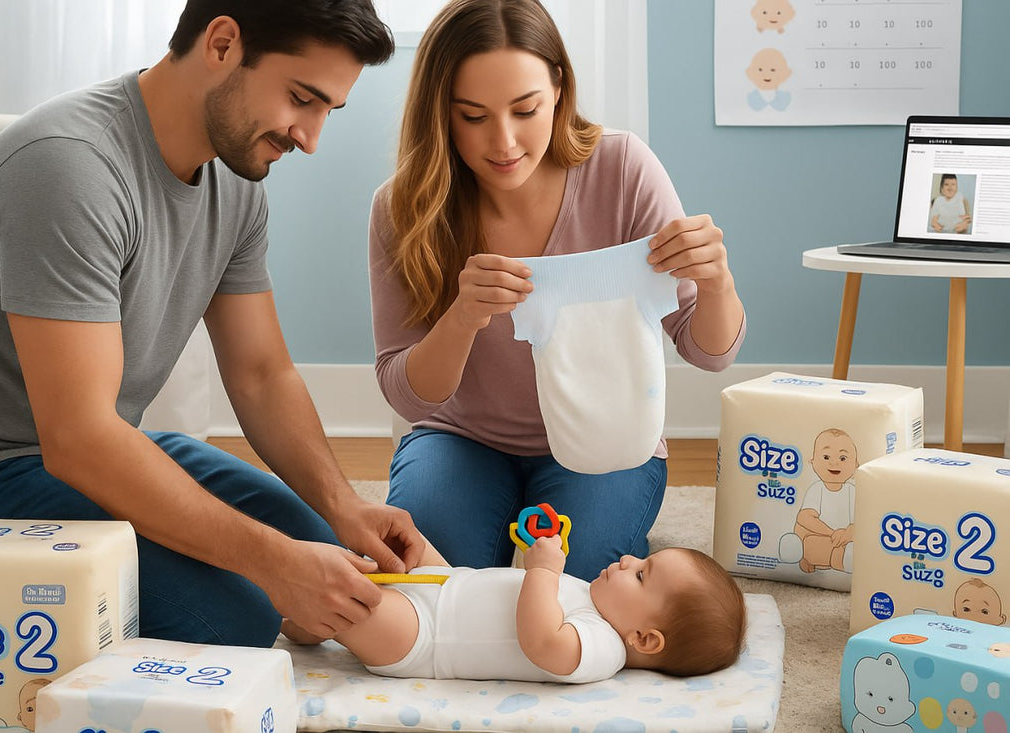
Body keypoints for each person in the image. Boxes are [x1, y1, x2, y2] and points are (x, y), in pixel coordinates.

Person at [0, 0, 425, 647]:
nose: (310, 136)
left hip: (98, 448)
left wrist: (345, 505)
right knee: (242, 614)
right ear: (221, 44)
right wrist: (267, 564)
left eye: (327, 110)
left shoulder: (236, 181)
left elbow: (262, 374)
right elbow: (78, 437)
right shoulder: (68, 166)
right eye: (302, 98)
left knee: (329, 554)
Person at [369, 0, 746, 582]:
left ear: (559, 88)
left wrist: (716, 280)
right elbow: (410, 396)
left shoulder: (622, 168)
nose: (504, 141)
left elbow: (708, 352)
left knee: (581, 588)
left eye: (526, 110)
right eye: (472, 116)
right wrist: (463, 317)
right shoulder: (404, 207)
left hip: (606, 439)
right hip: (461, 437)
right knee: (433, 582)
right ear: (440, 113)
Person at [283, 536, 747, 680]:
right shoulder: (597, 600)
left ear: (644, 638)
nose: (628, 560)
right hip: (445, 584)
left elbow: (543, 642)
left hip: (423, 637)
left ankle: (308, 619)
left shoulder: (603, 648)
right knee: (396, 547)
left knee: (351, 603)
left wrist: (542, 571)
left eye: (641, 574)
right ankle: (316, 616)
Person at [784, 428, 857, 574]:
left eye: (843, 458)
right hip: (820, 537)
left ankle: (842, 559)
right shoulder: (817, 489)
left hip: (840, 541)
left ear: (856, 465)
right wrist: (832, 533)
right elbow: (804, 518)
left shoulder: (851, 491)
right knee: (812, 543)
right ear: (813, 462)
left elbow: (861, 521)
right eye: (826, 457)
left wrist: (848, 532)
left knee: (856, 543)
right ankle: (801, 554)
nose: (834, 463)